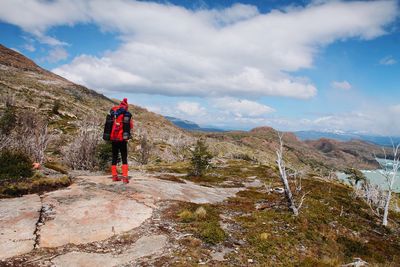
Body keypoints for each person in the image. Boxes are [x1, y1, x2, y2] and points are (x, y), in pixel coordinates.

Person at [109, 98, 133, 183]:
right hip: (122, 139)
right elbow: (130, 126)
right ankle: (125, 177)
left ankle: (114, 176)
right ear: (126, 106)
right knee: (124, 157)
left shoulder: (114, 112)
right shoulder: (126, 114)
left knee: (114, 157)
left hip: (113, 138)